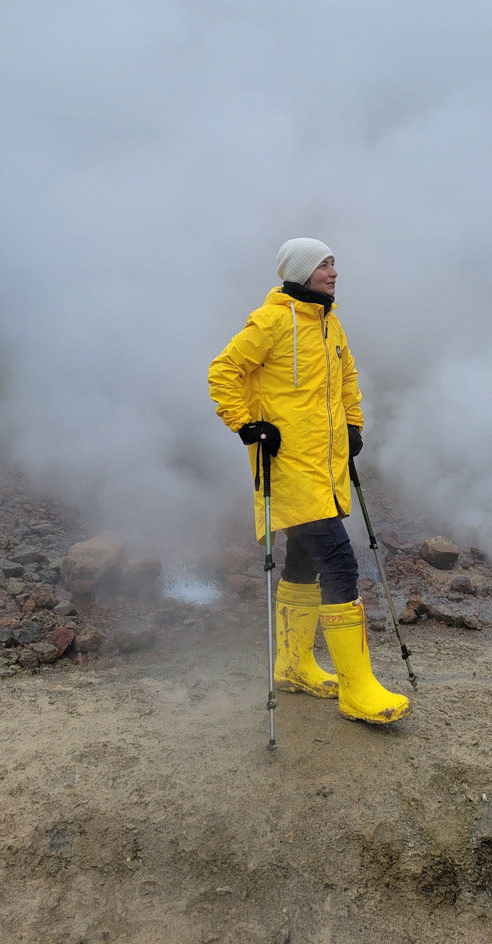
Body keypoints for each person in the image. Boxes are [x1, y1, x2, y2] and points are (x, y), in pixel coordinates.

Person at [208, 238, 410, 724]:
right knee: (340, 561)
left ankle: (294, 665)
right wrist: (246, 424)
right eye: (323, 264)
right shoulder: (272, 320)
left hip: (326, 467)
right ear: (300, 272)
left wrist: (354, 424)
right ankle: (357, 689)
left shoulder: (329, 322)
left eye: (334, 263)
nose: (334, 271)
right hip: (291, 466)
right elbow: (224, 371)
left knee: (302, 560)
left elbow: (347, 380)